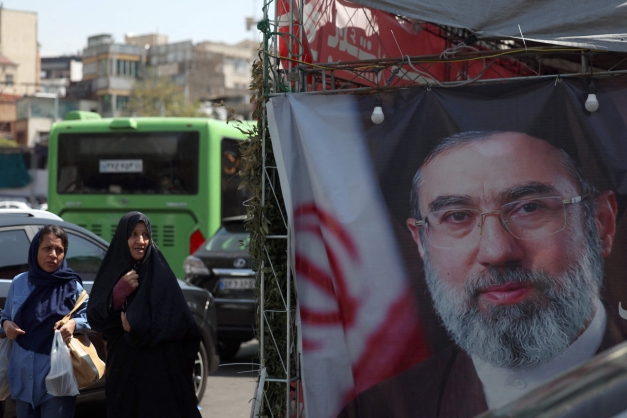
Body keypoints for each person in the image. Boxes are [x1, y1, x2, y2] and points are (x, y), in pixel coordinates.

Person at [339, 131, 626, 417]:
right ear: (421, 242)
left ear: (601, 223)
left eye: (529, 208)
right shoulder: (377, 412)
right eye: (457, 216)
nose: (497, 251)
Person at [86, 211, 202, 418]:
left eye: (145, 235)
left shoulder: (161, 275)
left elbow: (183, 326)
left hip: (157, 373)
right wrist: (117, 295)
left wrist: (140, 327)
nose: (140, 241)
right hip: (124, 371)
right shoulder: (112, 273)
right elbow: (95, 318)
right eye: (133, 234)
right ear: (123, 238)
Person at [1, 225, 89, 418]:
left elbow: (90, 315)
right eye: (47, 248)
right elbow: (5, 315)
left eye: (59, 250)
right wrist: (6, 324)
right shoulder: (19, 282)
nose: (53, 255)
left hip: (57, 377)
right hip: (23, 377)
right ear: (36, 250)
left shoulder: (71, 286)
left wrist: (74, 324)